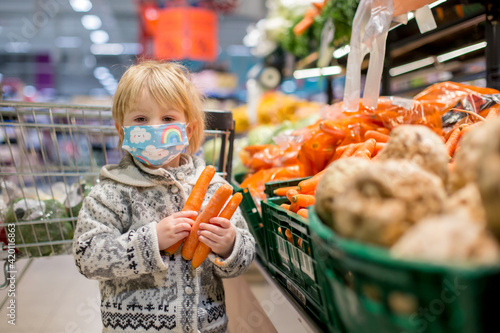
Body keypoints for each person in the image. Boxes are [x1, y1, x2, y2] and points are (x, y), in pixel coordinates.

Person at [73, 60, 255, 333]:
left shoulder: (214, 189)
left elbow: (244, 257)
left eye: (168, 119)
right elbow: (87, 257)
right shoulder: (111, 192)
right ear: (123, 131)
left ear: (189, 130)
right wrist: (151, 241)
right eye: (141, 119)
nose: (154, 128)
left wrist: (230, 245)